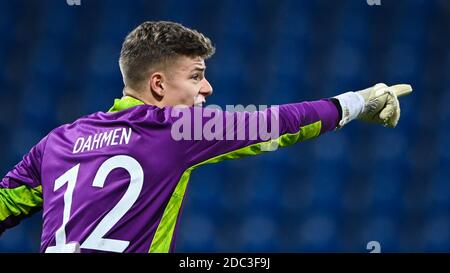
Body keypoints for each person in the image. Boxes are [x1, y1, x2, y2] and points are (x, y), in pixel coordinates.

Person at [0, 21, 412, 253]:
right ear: (158, 85)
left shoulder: (58, 142)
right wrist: (360, 101)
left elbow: (5, 205)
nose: (207, 88)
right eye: (196, 76)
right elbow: (281, 123)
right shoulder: (176, 131)